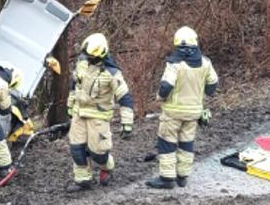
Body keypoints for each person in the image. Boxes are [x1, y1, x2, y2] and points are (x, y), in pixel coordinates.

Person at [146, 26, 218, 189]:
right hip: (194, 112)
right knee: (187, 143)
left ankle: (167, 178)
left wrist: (159, 98)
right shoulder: (205, 63)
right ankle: (182, 176)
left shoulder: (175, 64)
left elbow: (166, 86)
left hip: (173, 112)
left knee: (167, 143)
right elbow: (213, 85)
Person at [67, 32, 134, 191]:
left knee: (98, 152)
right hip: (79, 113)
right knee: (76, 148)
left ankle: (107, 166)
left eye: (91, 57)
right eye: (86, 55)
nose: (88, 58)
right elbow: (75, 84)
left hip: (98, 116)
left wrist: (127, 123)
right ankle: (83, 179)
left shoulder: (111, 73)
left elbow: (124, 97)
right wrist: (70, 105)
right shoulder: (82, 63)